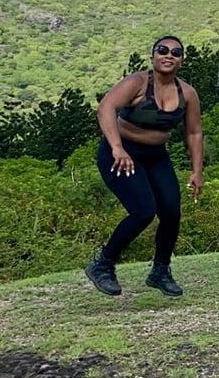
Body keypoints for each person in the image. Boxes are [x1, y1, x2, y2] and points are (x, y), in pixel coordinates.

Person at [86, 36, 204, 297]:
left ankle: (160, 271)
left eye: (176, 52)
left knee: (171, 211)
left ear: (182, 60)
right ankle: (103, 264)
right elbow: (106, 108)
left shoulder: (188, 94)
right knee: (143, 211)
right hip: (120, 153)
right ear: (153, 55)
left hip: (156, 155)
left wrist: (197, 171)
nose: (168, 55)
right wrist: (117, 147)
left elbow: (194, 133)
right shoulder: (137, 83)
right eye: (162, 50)